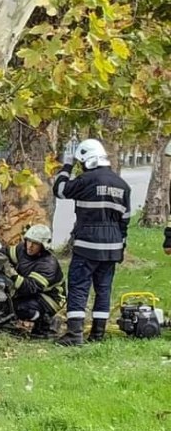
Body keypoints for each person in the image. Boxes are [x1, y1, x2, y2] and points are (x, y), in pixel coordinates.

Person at [53, 138, 131, 345]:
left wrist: (67, 165)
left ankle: (74, 334)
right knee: (103, 289)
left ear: (88, 160)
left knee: (79, 287)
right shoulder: (122, 185)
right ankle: (98, 334)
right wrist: (121, 246)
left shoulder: (85, 181)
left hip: (87, 245)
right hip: (112, 247)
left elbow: (59, 190)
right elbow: (125, 219)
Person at [2, 224, 64, 340]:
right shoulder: (22, 249)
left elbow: (28, 287)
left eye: (35, 243)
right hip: (33, 293)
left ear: (43, 246)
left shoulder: (48, 264)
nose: (30, 246)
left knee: (19, 308)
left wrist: (11, 273)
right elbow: (4, 252)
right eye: (28, 241)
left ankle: (46, 322)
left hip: (50, 298)